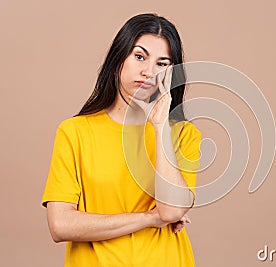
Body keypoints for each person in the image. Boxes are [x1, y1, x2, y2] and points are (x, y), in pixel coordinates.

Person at [42, 13, 202, 267]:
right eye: (140, 56)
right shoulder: (74, 132)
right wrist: (149, 219)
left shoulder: (183, 134)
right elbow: (60, 225)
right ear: (119, 59)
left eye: (162, 63)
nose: (148, 71)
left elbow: (171, 211)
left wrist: (160, 126)